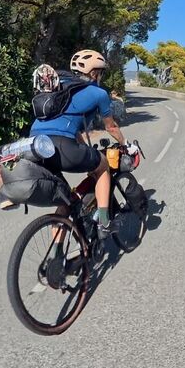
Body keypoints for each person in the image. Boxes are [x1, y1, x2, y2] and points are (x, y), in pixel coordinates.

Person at [30, 49, 128, 237]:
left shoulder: (58, 87)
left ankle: (57, 254)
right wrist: (125, 143)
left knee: (66, 201)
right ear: (94, 73)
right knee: (103, 167)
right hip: (62, 145)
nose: (100, 76)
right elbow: (111, 127)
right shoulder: (98, 93)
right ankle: (105, 223)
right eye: (100, 72)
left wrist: (85, 149)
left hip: (35, 145)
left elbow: (70, 129)